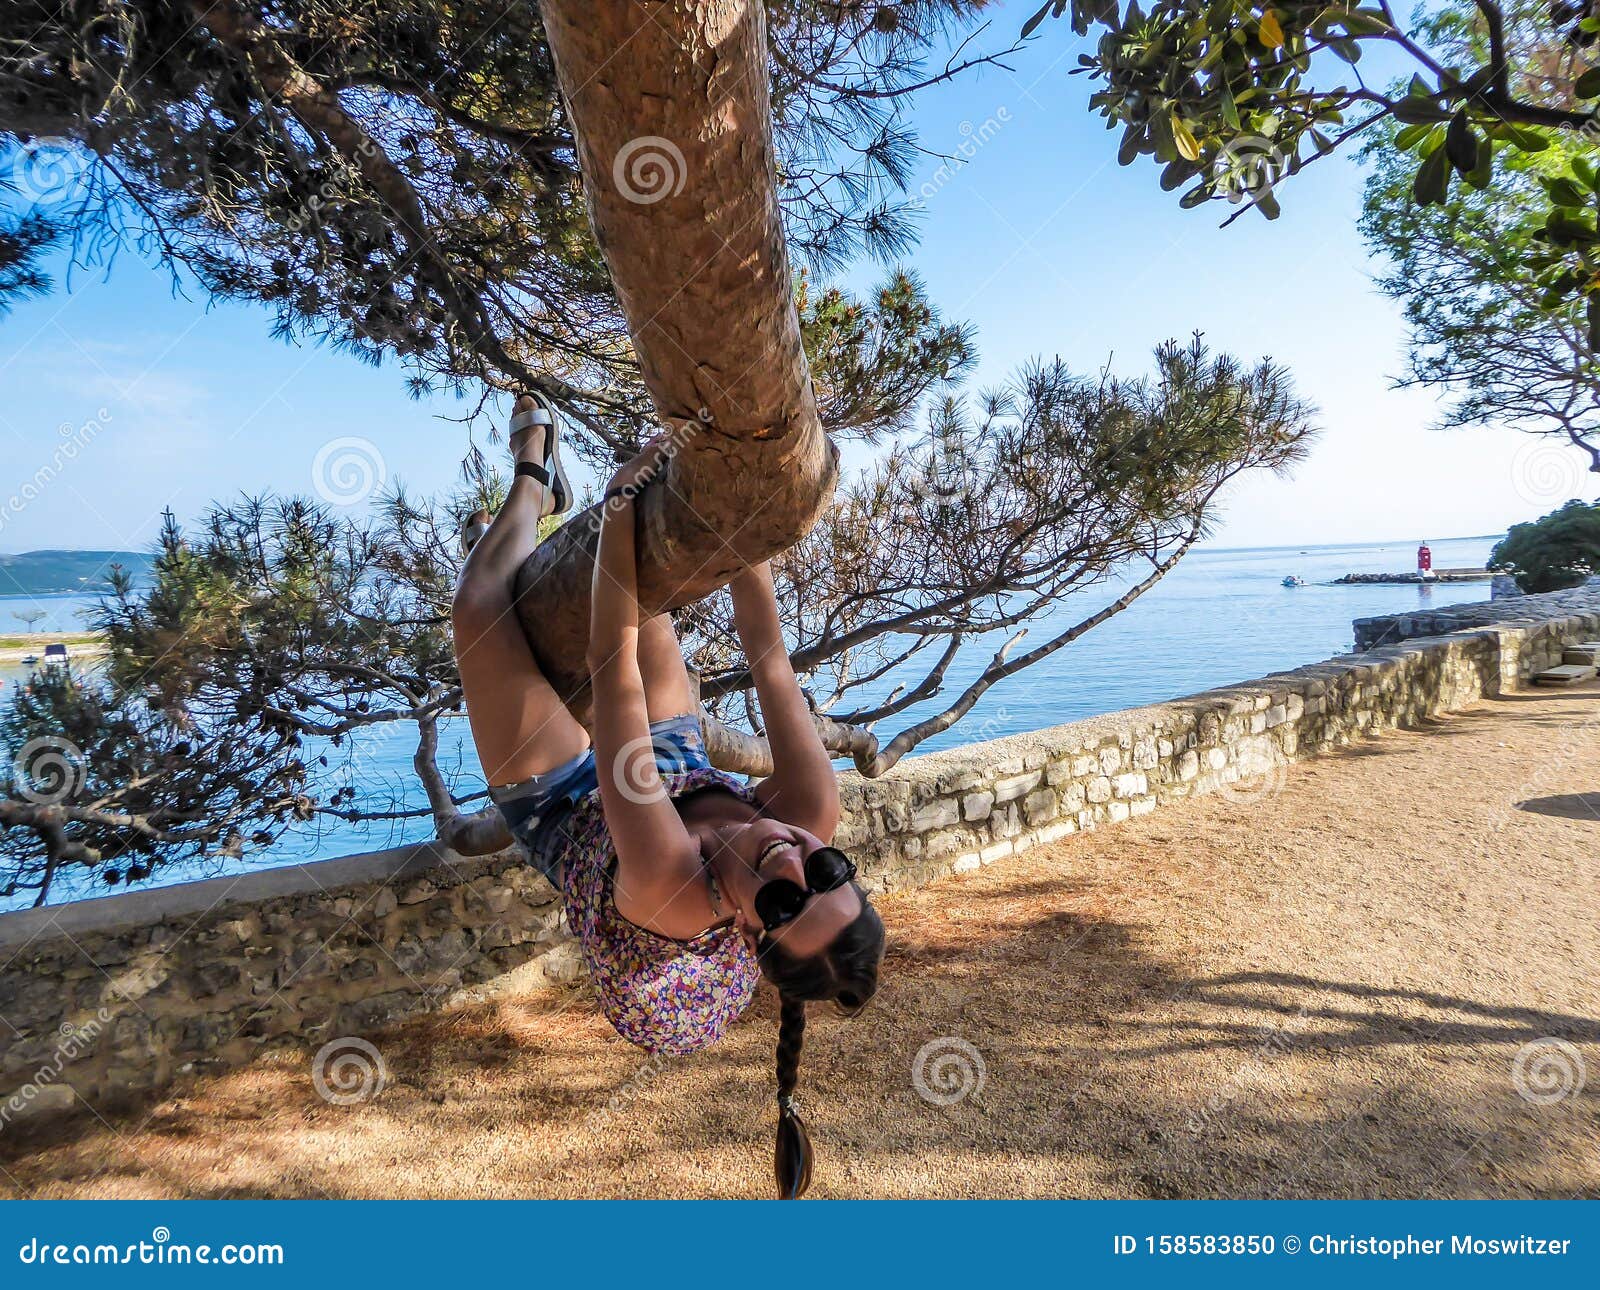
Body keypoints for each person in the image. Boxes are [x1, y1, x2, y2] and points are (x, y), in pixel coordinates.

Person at [450, 395, 886, 1198]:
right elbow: (770, 657)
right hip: (678, 763)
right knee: (639, 590)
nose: (795, 861)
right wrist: (741, 516)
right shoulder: (809, 819)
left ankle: (533, 483)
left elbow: (610, 668)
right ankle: (566, 509)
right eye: (827, 876)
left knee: (481, 606)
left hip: (570, 812)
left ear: (750, 933)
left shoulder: (670, 889)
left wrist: (617, 506)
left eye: (786, 906)